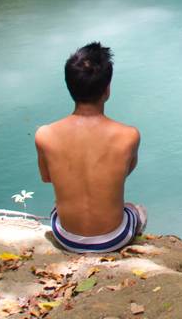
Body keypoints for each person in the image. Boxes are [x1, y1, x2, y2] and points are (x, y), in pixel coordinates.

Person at [35, 42, 146, 253]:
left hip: (66, 237)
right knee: (136, 209)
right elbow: (122, 174)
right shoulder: (129, 135)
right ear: (107, 89)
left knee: (57, 206)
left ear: (69, 86)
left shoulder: (45, 135)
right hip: (114, 239)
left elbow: (47, 177)